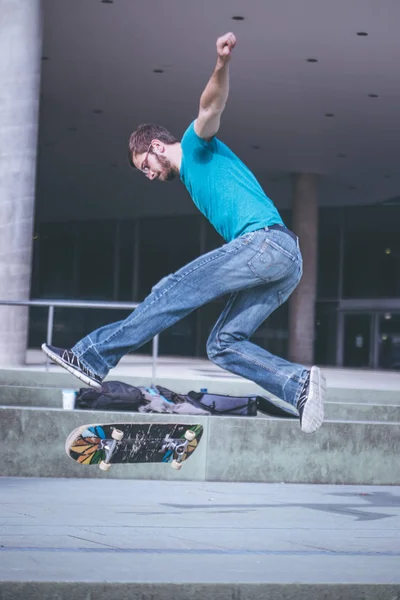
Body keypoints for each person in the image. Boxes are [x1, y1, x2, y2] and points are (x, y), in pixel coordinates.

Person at [42, 32, 326, 433]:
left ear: (158, 146)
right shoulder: (194, 178)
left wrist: (221, 63)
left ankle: (91, 357)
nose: (150, 175)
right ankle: (299, 386)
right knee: (223, 345)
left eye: (146, 165)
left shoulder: (195, 144)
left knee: (172, 290)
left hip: (265, 243)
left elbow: (211, 105)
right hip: (286, 259)